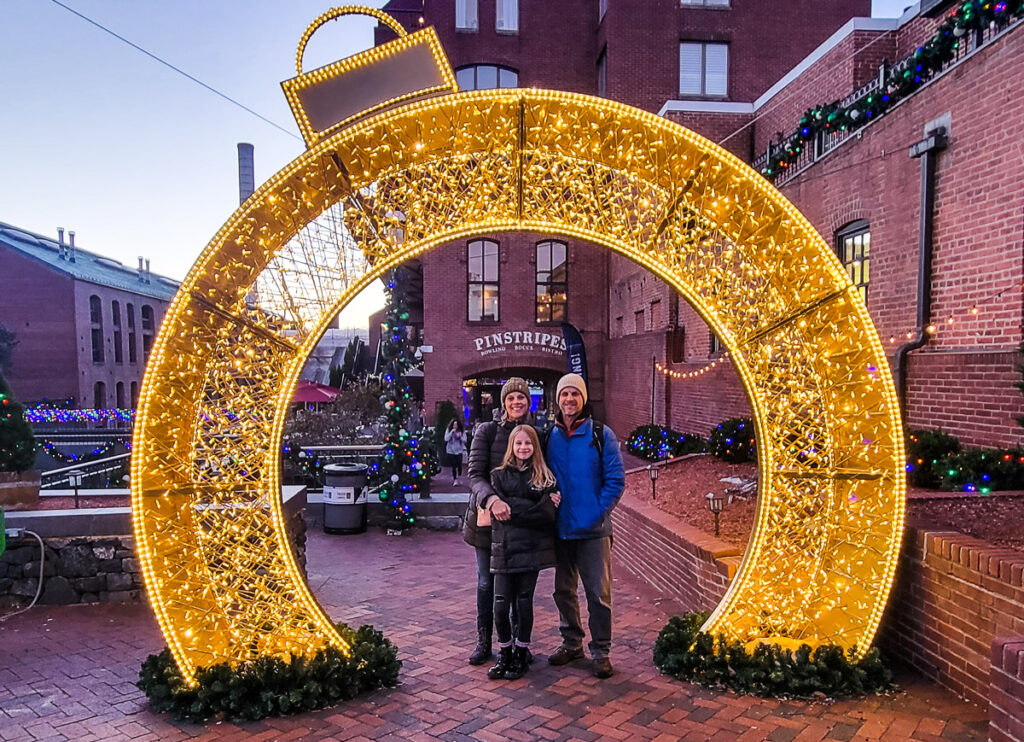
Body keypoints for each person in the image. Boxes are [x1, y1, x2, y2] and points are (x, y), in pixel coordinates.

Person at [544, 372, 625, 679]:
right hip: (561, 529)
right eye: (564, 394)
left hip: (593, 532)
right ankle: (571, 642)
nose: (569, 399)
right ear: (557, 399)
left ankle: (601, 650)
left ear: (583, 399)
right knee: (563, 591)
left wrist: (596, 513)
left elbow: (616, 481)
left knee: (598, 594)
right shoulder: (548, 436)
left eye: (575, 395)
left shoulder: (601, 434)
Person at [462, 377, 534, 665]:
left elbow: (543, 472)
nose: (516, 402)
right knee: (486, 583)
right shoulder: (486, 431)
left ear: (529, 402)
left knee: (518, 587)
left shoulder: (535, 434)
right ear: (503, 402)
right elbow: (474, 474)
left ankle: (518, 644)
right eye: (511, 398)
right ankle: (484, 640)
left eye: (521, 398)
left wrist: (551, 495)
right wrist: (491, 500)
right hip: (487, 521)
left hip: (519, 523)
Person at [485, 425, 561, 680]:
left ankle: (521, 651)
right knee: (500, 603)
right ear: (511, 446)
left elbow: (547, 514)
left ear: (535, 447)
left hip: (531, 549)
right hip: (503, 548)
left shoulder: (544, 477)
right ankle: (504, 650)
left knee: (524, 601)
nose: (523, 448)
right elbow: (500, 511)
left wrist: (514, 509)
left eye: (528, 443)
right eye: (518, 443)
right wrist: (532, 506)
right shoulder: (497, 476)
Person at [444, 419, 467, 485]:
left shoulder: (461, 431)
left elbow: (465, 440)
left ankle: (459, 477)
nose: (455, 426)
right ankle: (455, 479)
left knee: (459, 465)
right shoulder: (449, 430)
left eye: (456, 424)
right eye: (454, 424)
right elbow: (446, 439)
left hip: (459, 450)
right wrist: (451, 432)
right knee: (454, 465)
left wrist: (460, 437)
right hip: (450, 450)